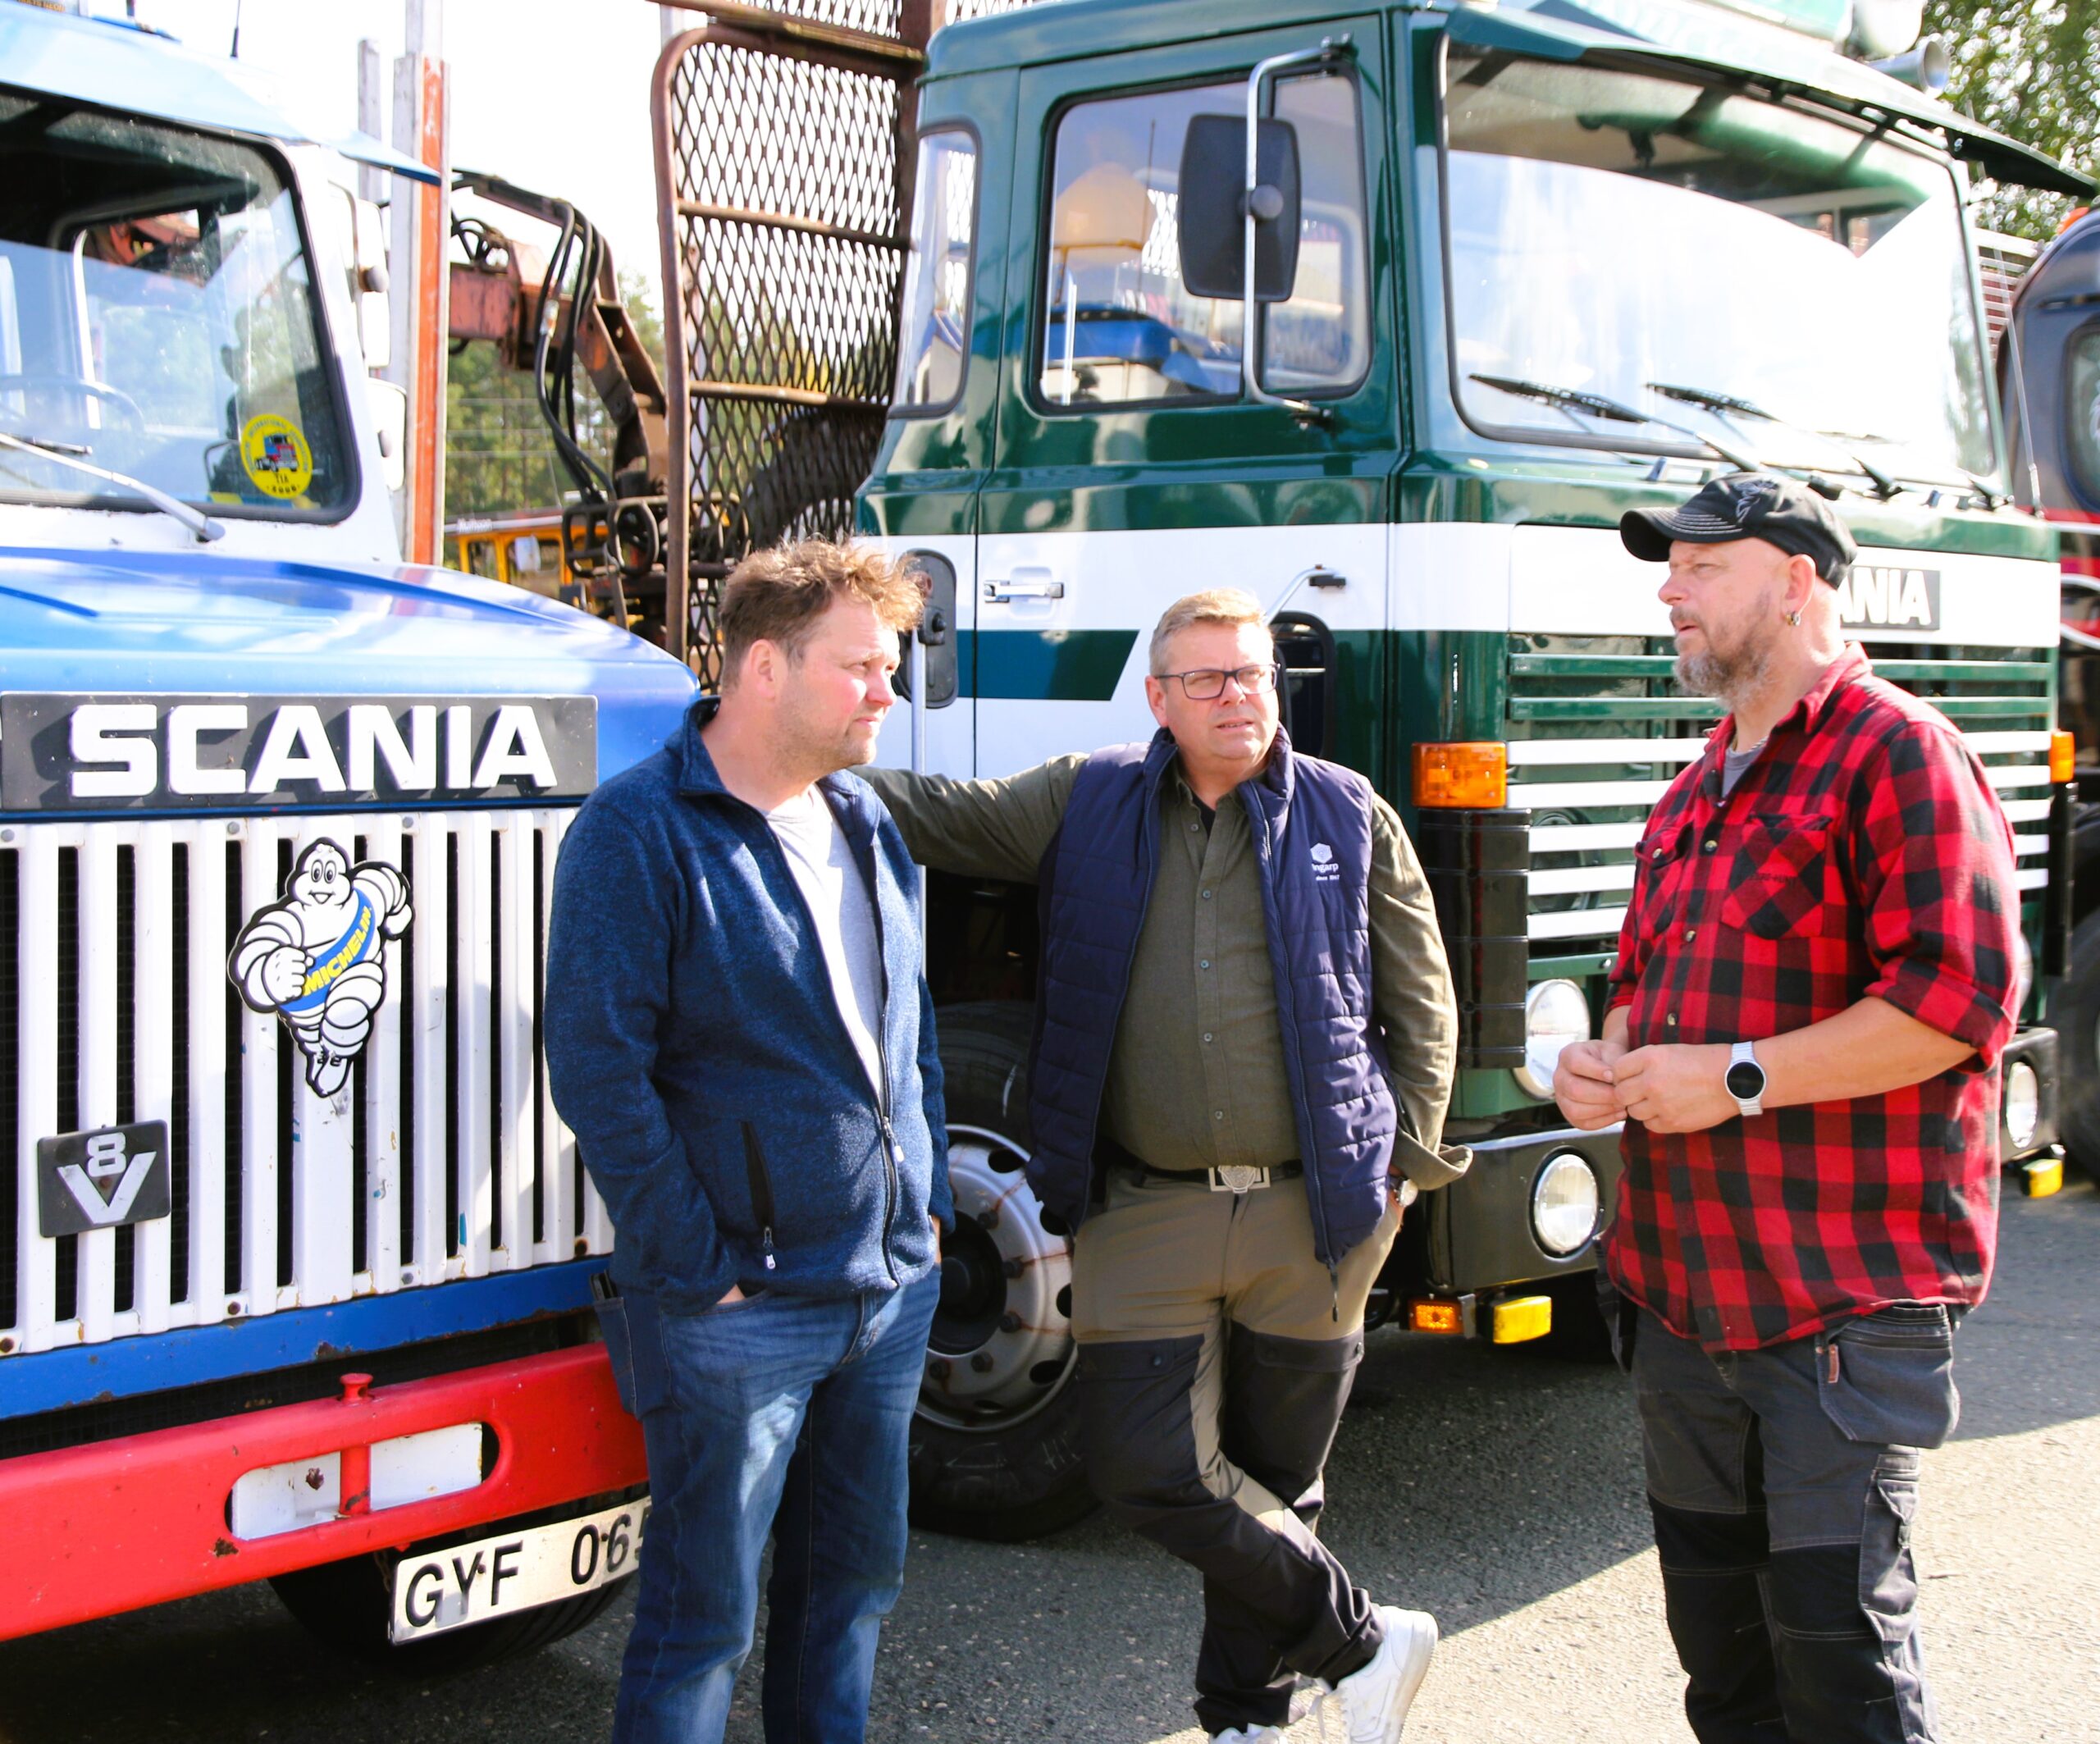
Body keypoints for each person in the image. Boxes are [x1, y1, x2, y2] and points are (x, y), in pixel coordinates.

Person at [861, 589, 1464, 1744]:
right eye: (1209, 679)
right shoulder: (1083, 800)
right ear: (1158, 698)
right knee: (1143, 1465)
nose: (1240, 697)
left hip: (1315, 1209)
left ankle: (1245, 1719)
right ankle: (1362, 1641)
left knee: (1278, 1481)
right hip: (1145, 1204)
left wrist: (1404, 1171)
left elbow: (1421, 994)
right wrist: (802, 760)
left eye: (1254, 674)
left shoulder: (1348, 811)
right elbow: (940, 814)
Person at [1554, 474, 2020, 1744]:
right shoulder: (1695, 789)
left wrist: (1737, 1073)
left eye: (1702, 566)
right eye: (1671, 568)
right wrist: (1603, 1059)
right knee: (1728, 1677)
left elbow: (1957, 1000)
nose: (1671, 590)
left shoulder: (1899, 752)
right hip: (1680, 1305)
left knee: (1842, 1671)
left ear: (1797, 582)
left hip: (1835, 1311)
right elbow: (1641, 991)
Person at [543, 540, 951, 1744]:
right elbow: (600, 1070)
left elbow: (909, 1029)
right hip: (740, 1309)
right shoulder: (638, 831)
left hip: (887, 1291)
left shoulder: (865, 820)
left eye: (891, 668)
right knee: (700, 1628)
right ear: (764, 667)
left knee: (851, 1596)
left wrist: (922, 1203)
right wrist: (698, 1267)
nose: (887, 692)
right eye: (862, 667)